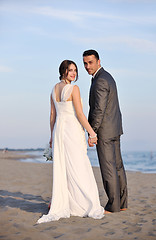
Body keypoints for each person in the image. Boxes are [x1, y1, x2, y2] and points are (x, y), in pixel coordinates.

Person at [37, 60, 104, 224]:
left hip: (59, 130)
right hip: (72, 130)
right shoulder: (74, 89)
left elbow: (52, 116)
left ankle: (69, 203)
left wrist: (52, 136)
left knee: (65, 167)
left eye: (75, 70)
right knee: (79, 165)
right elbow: (80, 115)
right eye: (70, 70)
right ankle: (83, 205)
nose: (74, 73)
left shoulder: (53, 89)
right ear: (63, 71)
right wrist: (92, 132)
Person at [83, 49, 128, 213]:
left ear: (98, 61)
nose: (88, 66)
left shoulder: (101, 80)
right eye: (85, 63)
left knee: (109, 168)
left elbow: (99, 110)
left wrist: (92, 132)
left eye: (90, 62)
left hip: (105, 131)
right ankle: (122, 204)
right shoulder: (107, 77)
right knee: (117, 167)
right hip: (115, 128)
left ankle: (113, 205)